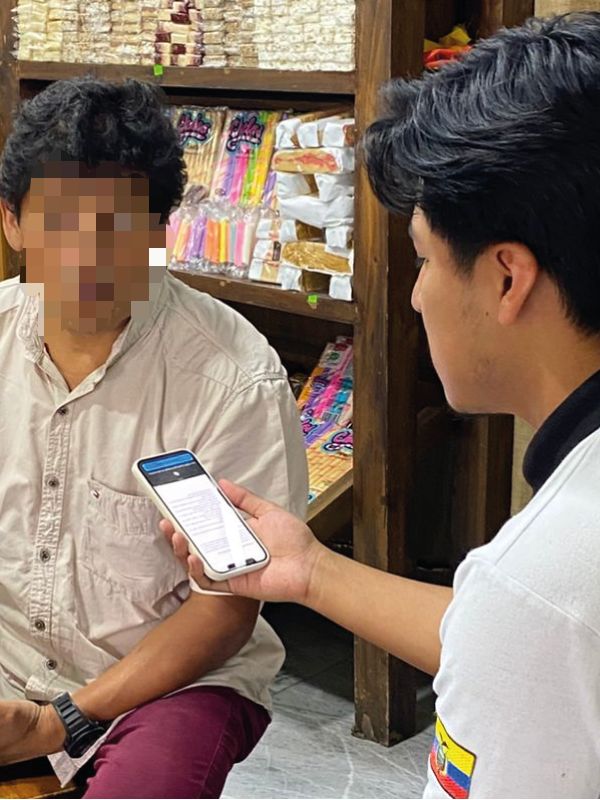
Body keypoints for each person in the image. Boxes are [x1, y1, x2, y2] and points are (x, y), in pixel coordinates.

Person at [164, 12, 600, 798]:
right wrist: (312, 572)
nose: (417, 295)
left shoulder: (548, 579)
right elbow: (511, 638)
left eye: (423, 259)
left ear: (507, 278)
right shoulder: (540, 596)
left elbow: (532, 626)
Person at [0, 77, 308, 797]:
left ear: (159, 229)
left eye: (119, 226)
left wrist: (63, 719)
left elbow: (225, 607)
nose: (88, 255)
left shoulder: (233, 380)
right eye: (60, 222)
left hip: (173, 682)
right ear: (12, 222)